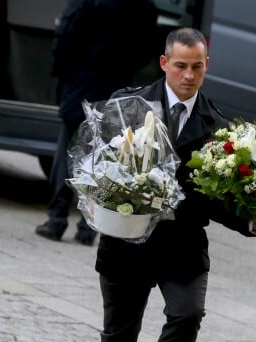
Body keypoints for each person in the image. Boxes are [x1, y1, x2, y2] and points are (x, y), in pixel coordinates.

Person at [95, 27, 256, 342]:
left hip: (181, 245)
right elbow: (98, 166)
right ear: (164, 63)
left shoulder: (221, 129)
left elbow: (219, 201)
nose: (189, 76)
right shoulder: (129, 107)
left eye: (197, 67)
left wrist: (254, 222)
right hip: (126, 243)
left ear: (206, 65)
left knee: (188, 315)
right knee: (118, 339)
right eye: (181, 66)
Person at [35, 0, 158, 245]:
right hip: (115, 89)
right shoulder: (144, 7)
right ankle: (88, 227)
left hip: (81, 85)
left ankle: (57, 219)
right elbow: (147, 49)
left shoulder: (87, 2)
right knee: (104, 158)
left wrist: (60, 77)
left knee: (68, 153)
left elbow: (64, 39)